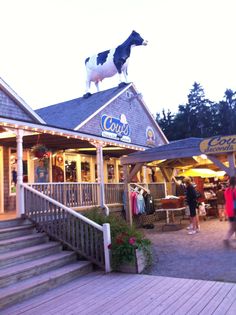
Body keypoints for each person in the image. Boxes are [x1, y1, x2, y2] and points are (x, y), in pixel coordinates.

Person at [223, 176, 236, 246]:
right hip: (234, 211)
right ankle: (226, 239)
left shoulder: (226, 190)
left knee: (233, 227)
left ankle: (226, 239)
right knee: (233, 227)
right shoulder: (235, 190)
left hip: (229, 210)